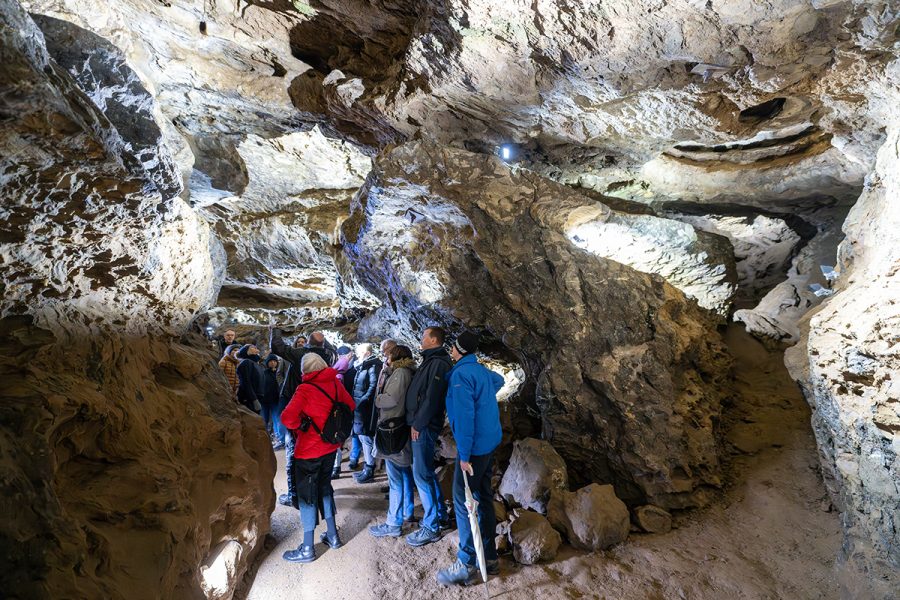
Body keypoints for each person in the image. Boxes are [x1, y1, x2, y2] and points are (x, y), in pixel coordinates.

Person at [435, 331, 504, 586]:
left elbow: (465, 419)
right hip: (488, 445)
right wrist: (485, 396)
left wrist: (463, 456)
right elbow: (499, 380)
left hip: (474, 450)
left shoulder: (461, 376)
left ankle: (466, 563)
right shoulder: (481, 371)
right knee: (483, 498)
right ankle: (490, 557)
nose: (451, 350)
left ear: (459, 350)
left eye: (453, 346)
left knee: (464, 502)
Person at [280, 353, 356, 563]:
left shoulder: (304, 389)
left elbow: (287, 418)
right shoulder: (335, 383)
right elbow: (350, 404)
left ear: (304, 370)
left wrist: (302, 424)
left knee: (307, 497)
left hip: (309, 451)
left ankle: (307, 548)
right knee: (325, 489)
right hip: (330, 447)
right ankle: (333, 536)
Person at [270, 326, 336, 506]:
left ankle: (295, 496)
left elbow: (277, 347)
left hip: (299, 407)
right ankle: (319, 494)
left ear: (307, 343)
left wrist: (275, 329)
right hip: (320, 413)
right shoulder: (328, 356)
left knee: (293, 452)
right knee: (319, 456)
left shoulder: (301, 355)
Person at [405, 326, 453, 547]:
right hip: (421, 424)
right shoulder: (431, 360)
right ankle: (440, 516)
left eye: (424, 336)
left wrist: (418, 423)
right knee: (425, 473)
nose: (421, 339)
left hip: (423, 427)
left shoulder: (439, 363)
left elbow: (432, 399)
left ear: (434, 340)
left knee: (421, 475)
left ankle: (431, 527)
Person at [369, 345, 417, 537]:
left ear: (395, 357)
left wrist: (377, 399)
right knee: (404, 474)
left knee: (395, 479)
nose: (385, 358)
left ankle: (393, 523)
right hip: (399, 427)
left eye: (388, 355)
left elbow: (390, 399)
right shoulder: (405, 372)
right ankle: (407, 512)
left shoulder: (400, 373)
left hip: (392, 429)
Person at [350, 343, 382, 484]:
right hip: (359, 407)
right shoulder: (362, 366)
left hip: (366, 409)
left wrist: (363, 400)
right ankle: (367, 468)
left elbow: (373, 386)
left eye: (360, 351)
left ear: (368, 353)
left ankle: (370, 469)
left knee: (367, 437)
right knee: (362, 437)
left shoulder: (372, 366)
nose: (358, 354)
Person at [330, 346, 355, 479]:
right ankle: (336, 466)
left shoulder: (337, 376)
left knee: (335, 439)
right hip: (342, 410)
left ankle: (336, 467)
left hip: (337, 410)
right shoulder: (348, 372)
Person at [261, 354, 284, 448]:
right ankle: (264, 441)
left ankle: (280, 440)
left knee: (277, 419)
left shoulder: (279, 373)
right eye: (271, 361)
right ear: (267, 363)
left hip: (276, 400)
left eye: (274, 361)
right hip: (264, 401)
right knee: (264, 420)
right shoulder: (263, 373)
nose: (273, 363)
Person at [236, 344, 264, 413]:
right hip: (248, 398)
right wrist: (254, 399)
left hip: (257, 396)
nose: (256, 349)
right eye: (252, 347)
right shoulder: (246, 362)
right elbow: (245, 382)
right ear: (246, 351)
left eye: (256, 348)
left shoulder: (256, 364)